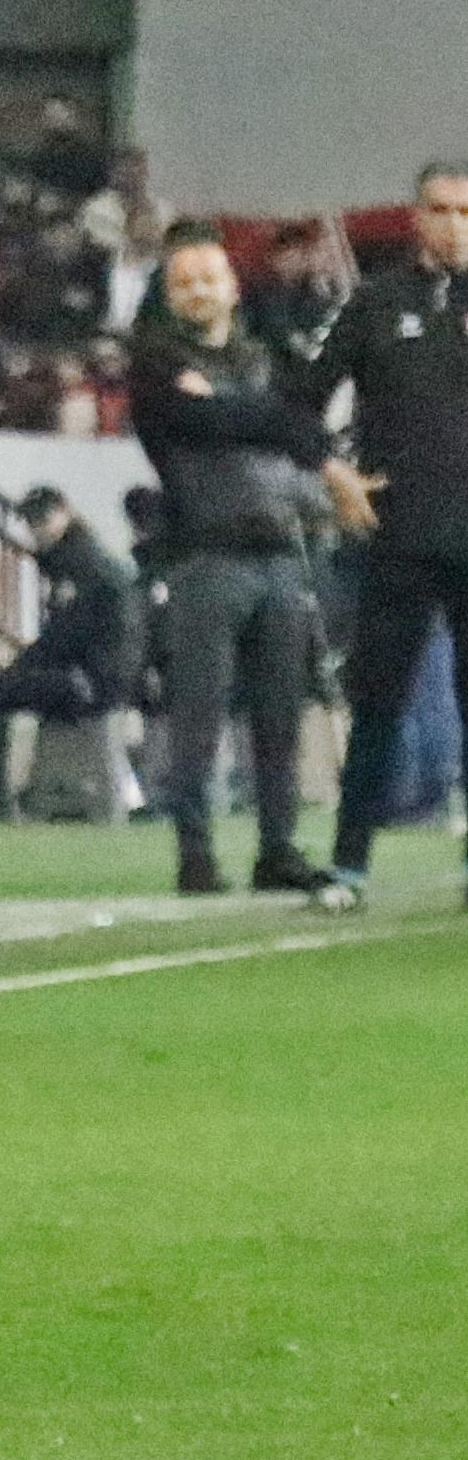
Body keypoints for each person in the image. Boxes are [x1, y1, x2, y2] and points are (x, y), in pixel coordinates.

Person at [129, 232, 333, 895]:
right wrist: (270, 420)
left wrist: (243, 413)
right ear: (167, 295)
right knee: (198, 714)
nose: (198, 291)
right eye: (184, 281)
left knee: (279, 715)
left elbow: (271, 423)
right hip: (204, 553)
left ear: (232, 287)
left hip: (278, 552)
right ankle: (195, 853)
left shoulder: (262, 358)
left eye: (208, 278)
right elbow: (259, 424)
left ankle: (277, 847)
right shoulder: (155, 366)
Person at [312, 166, 468, 907]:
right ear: (415, 217)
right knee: (376, 704)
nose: (454, 225)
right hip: (397, 537)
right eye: (441, 210)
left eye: (466, 211)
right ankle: (348, 866)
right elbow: (298, 399)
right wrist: (331, 469)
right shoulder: (374, 304)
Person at [0, 486, 136, 824]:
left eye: (42, 520)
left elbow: (65, 637)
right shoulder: (84, 558)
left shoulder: (79, 566)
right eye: (32, 522)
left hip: (89, 681)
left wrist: (18, 667)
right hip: (96, 676)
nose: (37, 529)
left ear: (64, 513)